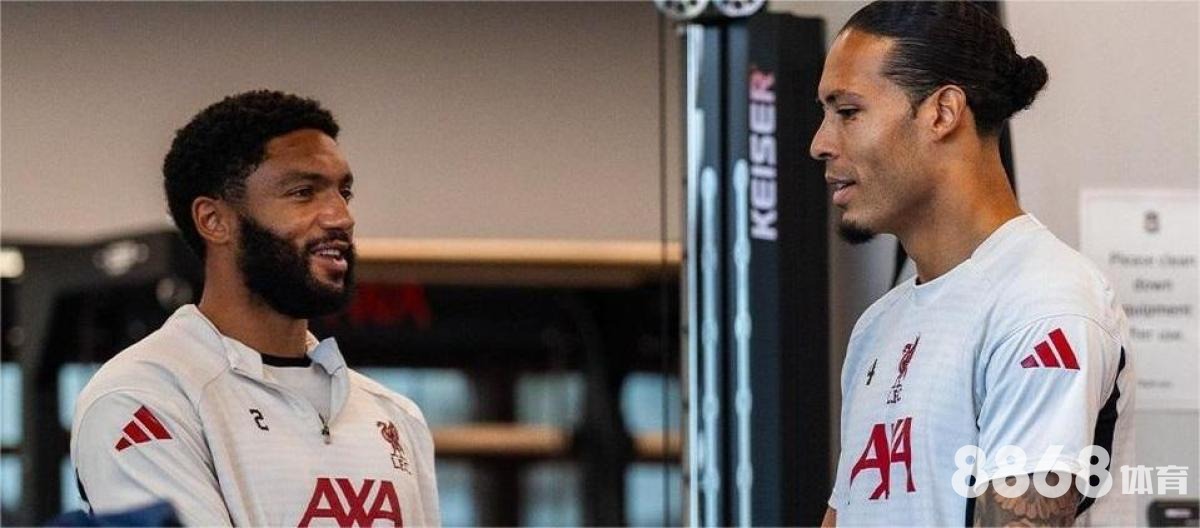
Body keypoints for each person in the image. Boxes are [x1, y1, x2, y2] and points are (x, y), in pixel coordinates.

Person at [812, 2, 1133, 526]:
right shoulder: (878, 325)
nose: (820, 144)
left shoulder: (1043, 302)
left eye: (847, 112)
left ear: (942, 113)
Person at [71, 90, 440, 526]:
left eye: (344, 192)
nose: (341, 217)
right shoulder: (142, 397)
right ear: (213, 220)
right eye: (304, 192)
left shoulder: (395, 414)